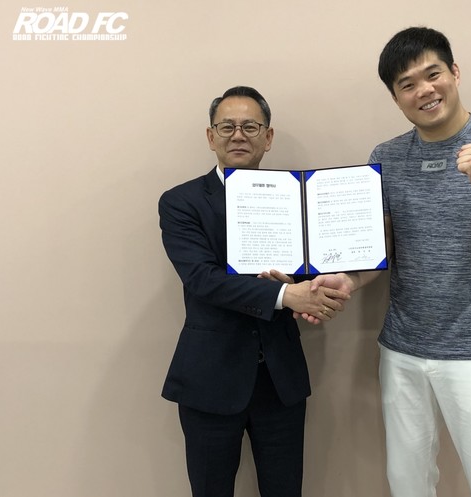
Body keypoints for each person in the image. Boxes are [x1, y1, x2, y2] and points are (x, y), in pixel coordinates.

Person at [294, 27, 471, 497]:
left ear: (455, 73)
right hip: (403, 349)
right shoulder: (387, 157)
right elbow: (382, 248)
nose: (424, 90)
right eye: (407, 84)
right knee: (407, 483)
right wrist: (347, 280)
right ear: (396, 98)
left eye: (433, 75)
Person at [158, 86, 349, 497]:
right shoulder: (181, 202)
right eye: (227, 127)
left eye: (250, 126)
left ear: (268, 137)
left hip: (280, 380)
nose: (238, 136)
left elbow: (309, 266)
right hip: (210, 378)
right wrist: (286, 297)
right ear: (211, 136)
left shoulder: (298, 198)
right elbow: (202, 279)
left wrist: (313, 287)